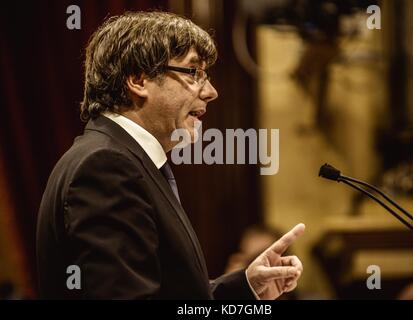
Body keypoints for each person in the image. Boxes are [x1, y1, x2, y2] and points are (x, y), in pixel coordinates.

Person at [36, 11, 305, 300]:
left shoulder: (121, 159)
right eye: (194, 73)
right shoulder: (105, 167)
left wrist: (246, 287)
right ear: (139, 80)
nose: (211, 92)